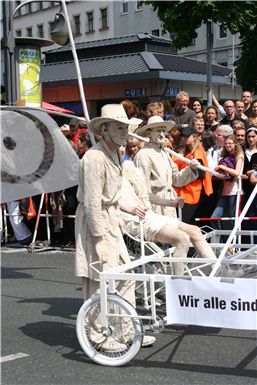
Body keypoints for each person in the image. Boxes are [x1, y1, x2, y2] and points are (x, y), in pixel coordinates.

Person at [75, 104, 155, 350]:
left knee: (125, 277)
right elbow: (92, 203)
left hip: (111, 217)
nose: (124, 132)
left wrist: (127, 208)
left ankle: (125, 332)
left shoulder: (117, 154)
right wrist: (99, 238)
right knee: (99, 279)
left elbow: (114, 193)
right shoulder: (94, 158)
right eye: (119, 127)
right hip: (95, 221)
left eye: (126, 127)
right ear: (104, 129)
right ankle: (97, 335)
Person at [120, 160, 217, 276]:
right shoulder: (140, 157)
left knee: (195, 231)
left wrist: (171, 203)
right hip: (134, 220)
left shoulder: (127, 167)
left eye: (124, 145)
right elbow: (104, 202)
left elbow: (146, 194)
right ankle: (177, 285)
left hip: (149, 214)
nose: (122, 149)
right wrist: (127, 210)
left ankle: (217, 271)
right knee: (182, 238)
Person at [134, 116, 199, 219]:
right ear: (148, 133)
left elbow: (175, 180)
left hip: (169, 204)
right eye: (158, 131)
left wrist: (191, 169)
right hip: (154, 206)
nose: (161, 134)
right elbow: (143, 190)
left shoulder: (164, 153)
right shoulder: (143, 155)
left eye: (163, 131)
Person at [173, 127, 213, 225]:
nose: (184, 138)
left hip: (191, 193)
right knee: (186, 223)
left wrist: (187, 173)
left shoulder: (198, 151)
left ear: (194, 137)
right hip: (183, 192)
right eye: (183, 136)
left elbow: (201, 173)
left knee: (184, 223)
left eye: (187, 136)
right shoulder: (187, 152)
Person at [211, 135, 244, 236]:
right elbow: (222, 175)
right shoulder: (224, 157)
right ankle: (222, 242)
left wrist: (221, 167)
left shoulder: (239, 156)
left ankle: (232, 246)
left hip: (235, 192)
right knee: (214, 218)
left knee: (232, 220)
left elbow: (237, 172)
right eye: (226, 144)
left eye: (230, 143)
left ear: (235, 144)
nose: (228, 145)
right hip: (224, 193)